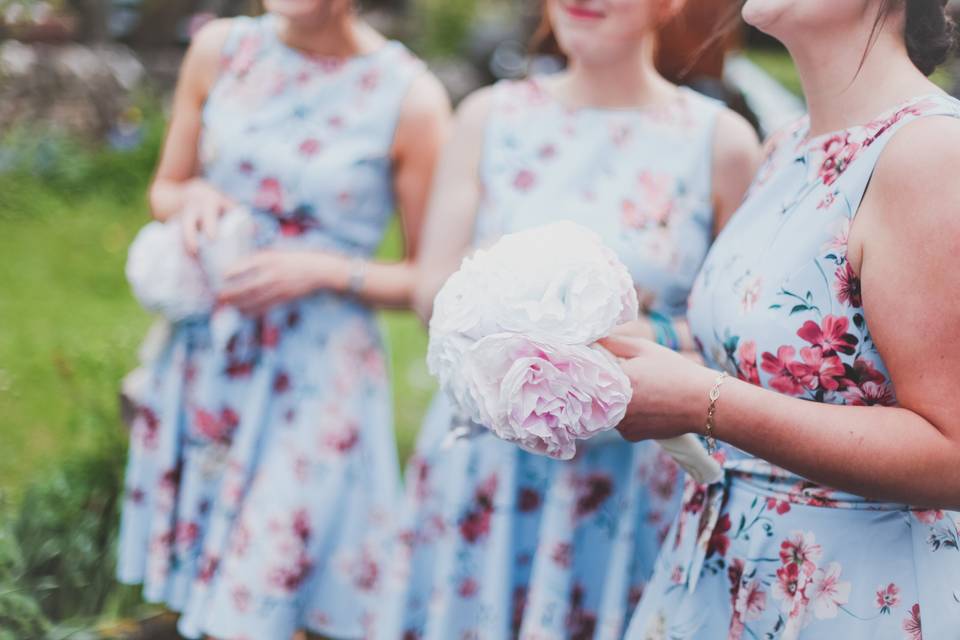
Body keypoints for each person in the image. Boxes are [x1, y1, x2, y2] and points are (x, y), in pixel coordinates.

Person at [374, 1, 760, 637]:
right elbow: (430, 289)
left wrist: (642, 335)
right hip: (495, 464)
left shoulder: (720, 141)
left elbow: (733, 329)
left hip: (634, 472)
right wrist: (510, 309)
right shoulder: (489, 117)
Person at [605, 1, 960, 638]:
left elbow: (952, 452)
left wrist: (704, 403)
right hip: (725, 577)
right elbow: (767, 347)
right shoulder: (786, 146)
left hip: (851, 596)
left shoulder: (932, 155)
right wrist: (638, 341)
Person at [115, 1, 450, 638]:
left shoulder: (411, 98)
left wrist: (322, 271)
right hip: (212, 356)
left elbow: (427, 278)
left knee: (264, 586)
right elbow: (166, 187)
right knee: (211, 590)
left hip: (317, 378)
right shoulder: (221, 50)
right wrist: (193, 199)